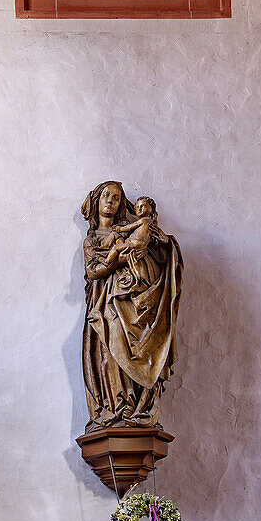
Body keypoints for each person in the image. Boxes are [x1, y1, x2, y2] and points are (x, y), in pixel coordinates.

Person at [80, 181, 183, 429]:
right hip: (103, 305)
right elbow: (93, 272)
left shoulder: (128, 230)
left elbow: (157, 252)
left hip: (128, 303)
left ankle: (134, 405)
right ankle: (114, 405)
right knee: (107, 350)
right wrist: (114, 260)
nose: (111, 202)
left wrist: (161, 244)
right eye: (106, 196)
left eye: (116, 198)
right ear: (97, 201)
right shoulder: (92, 240)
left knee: (131, 346)